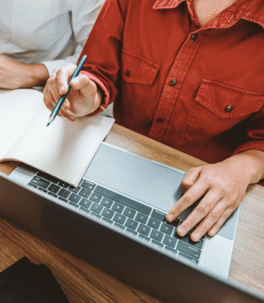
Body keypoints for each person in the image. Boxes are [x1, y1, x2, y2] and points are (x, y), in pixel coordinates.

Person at [43, 0, 264, 242]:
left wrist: (243, 168)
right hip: (114, 170)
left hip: (204, 199)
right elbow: (99, 71)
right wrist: (88, 95)